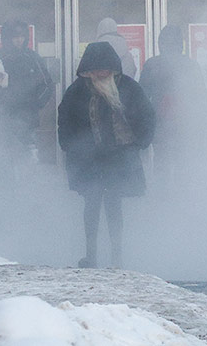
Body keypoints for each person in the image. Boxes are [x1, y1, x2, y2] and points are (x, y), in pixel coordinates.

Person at [58, 41, 156, 269]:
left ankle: (116, 256)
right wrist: (70, 146)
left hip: (118, 158)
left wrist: (141, 141)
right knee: (91, 205)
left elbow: (146, 115)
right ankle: (90, 255)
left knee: (114, 205)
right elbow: (65, 120)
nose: (101, 74)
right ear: (87, 71)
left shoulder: (128, 88)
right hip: (88, 159)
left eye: (105, 70)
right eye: (96, 70)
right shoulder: (76, 91)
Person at [138, 24, 207, 174]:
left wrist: (145, 124)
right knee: (183, 162)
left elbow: (141, 97)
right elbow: (201, 97)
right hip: (184, 123)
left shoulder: (152, 65)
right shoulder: (191, 65)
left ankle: (162, 189)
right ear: (180, 43)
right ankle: (183, 188)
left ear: (161, 44)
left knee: (161, 162)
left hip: (160, 123)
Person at [0, 20, 55, 165]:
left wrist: (36, 104)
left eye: (22, 36)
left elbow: (47, 84)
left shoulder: (33, 58)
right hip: (3, 118)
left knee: (29, 158)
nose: (19, 40)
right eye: (15, 37)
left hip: (28, 118)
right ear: (7, 38)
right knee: (4, 158)